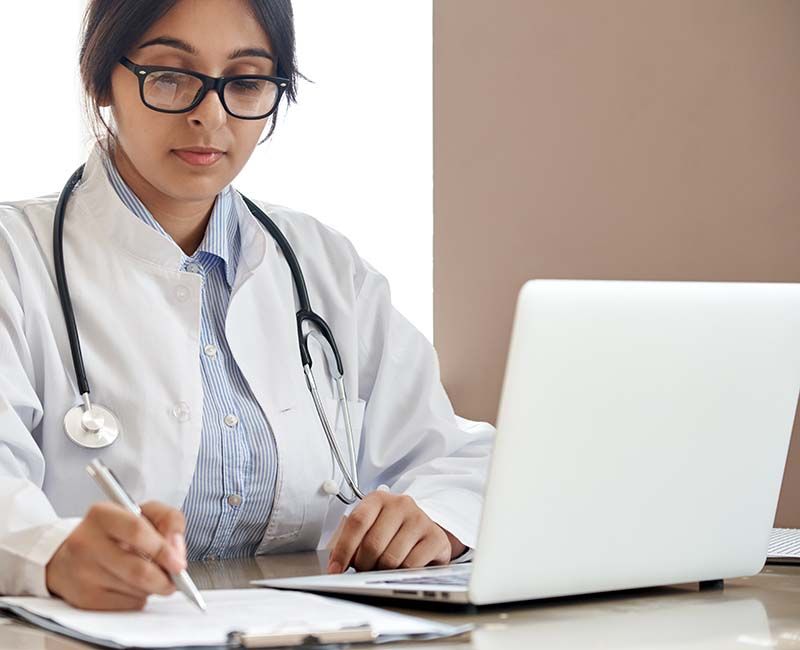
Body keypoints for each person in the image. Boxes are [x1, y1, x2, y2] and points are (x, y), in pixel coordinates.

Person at [0, 0, 493, 610]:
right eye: (171, 76)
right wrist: (50, 552)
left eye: (247, 82)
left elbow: (453, 454)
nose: (210, 115)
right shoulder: (14, 260)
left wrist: (435, 517)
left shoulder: (325, 265)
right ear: (100, 80)